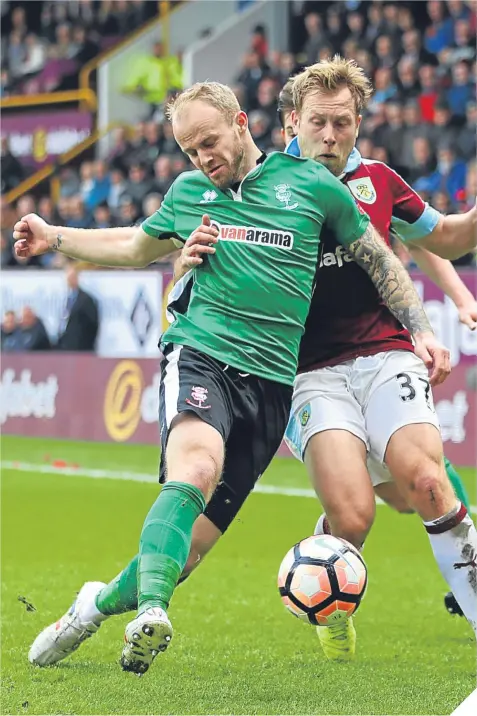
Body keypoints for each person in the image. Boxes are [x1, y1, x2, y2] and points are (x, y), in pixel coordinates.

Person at [20, 81, 446, 676]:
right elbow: (136, 244)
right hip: (202, 353)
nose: (202, 159)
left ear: (242, 122)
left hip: (272, 386)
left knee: (187, 551)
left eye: (209, 142)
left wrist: (421, 328)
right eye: (189, 150)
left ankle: (93, 604)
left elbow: (381, 262)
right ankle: (150, 611)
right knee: (195, 466)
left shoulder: (314, 187)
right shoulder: (192, 192)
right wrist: (55, 237)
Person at [278, 57, 477, 658]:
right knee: (355, 517)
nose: (331, 136)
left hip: (386, 354)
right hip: (308, 372)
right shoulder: (262, 188)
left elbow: (443, 239)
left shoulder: (381, 181)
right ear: (293, 120)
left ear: (360, 120)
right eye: (319, 123)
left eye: (343, 123)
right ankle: (328, 597)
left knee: (427, 482)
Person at [57, 261, 99, 352]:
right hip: (66, 346)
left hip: (81, 347)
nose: (69, 280)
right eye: (68, 277)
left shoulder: (86, 299)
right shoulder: (66, 298)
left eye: (72, 277)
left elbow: (93, 323)